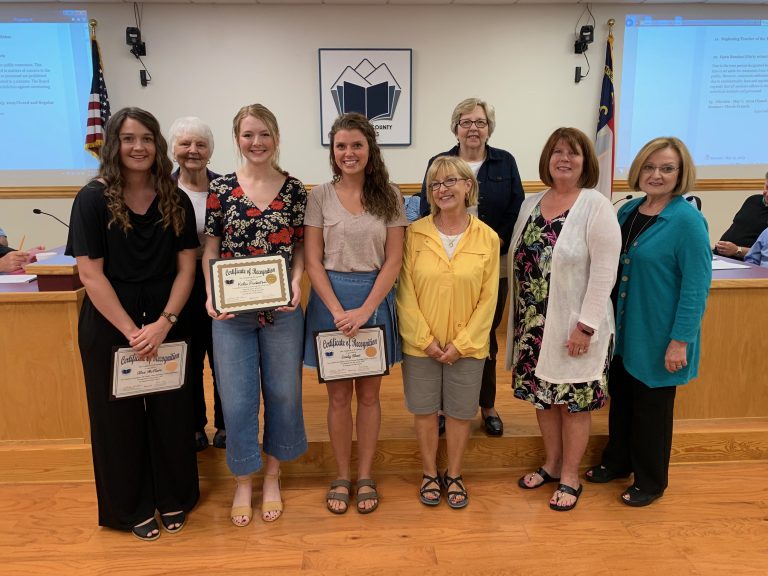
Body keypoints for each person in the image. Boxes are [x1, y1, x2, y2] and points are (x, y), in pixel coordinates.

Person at [65, 107, 200, 541]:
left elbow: (187, 269)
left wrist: (164, 323)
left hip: (167, 319)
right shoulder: (91, 199)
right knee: (117, 421)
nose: (138, 147)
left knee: (171, 414)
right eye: (128, 139)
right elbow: (90, 275)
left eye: (145, 138)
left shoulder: (175, 198)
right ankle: (129, 507)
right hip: (111, 322)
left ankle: (174, 495)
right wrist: (132, 332)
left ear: (157, 144)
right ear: (113, 145)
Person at [585, 137, 711, 507]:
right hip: (625, 331)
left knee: (652, 409)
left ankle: (651, 480)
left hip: (660, 334)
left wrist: (680, 340)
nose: (656, 175)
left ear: (680, 173)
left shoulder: (687, 221)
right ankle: (617, 461)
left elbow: (696, 287)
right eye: (650, 167)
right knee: (622, 398)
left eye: (667, 168)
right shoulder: (627, 211)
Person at [203, 104, 307, 527]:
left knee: (284, 393)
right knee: (237, 398)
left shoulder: (295, 189)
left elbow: (300, 247)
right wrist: (211, 293)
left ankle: (274, 476)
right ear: (237, 139)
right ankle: (244, 479)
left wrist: (297, 282)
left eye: (264, 134)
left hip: (283, 310)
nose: (257, 142)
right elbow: (211, 248)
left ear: (276, 137)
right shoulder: (221, 189)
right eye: (248, 135)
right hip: (232, 314)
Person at [507, 127, 621, 512]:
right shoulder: (531, 203)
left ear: (585, 161)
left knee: (573, 403)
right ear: (547, 159)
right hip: (534, 326)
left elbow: (605, 271)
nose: (564, 159)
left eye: (573, 153)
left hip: (575, 326)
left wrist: (586, 326)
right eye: (557, 152)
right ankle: (552, 464)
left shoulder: (595, 205)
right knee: (544, 399)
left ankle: (571, 476)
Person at [304, 112, 408, 515]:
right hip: (329, 301)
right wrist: (337, 311)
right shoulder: (319, 196)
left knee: (368, 395)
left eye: (357, 145)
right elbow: (313, 261)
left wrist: (365, 310)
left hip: (373, 300)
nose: (349, 153)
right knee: (337, 397)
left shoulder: (390, 195)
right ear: (333, 151)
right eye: (341, 146)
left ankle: (365, 475)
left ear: (370, 149)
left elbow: (394, 260)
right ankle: (342, 474)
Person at [398, 156, 499, 509]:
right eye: (435, 184)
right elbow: (404, 292)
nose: (443, 190)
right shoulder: (414, 234)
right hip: (421, 344)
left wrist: (463, 343)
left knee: (459, 412)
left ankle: (454, 474)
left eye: (450, 181)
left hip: (467, 347)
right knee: (425, 411)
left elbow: (489, 299)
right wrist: (423, 339)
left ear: (468, 185)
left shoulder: (488, 238)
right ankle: (429, 473)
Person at [418, 98, 523, 437]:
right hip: (445, 259)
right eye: (466, 122)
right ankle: (443, 407)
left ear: (489, 128)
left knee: (483, 333)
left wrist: (495, 243)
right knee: (443, 331)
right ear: (456, 128)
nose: (473, 128)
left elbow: (517, 209)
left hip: (491, 259)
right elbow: (425, 207)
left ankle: (487, 404)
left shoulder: (505, 162)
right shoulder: (439, 162)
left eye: (480, 122)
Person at [168, 116, 226, 452]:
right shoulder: (161, 190)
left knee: (223, 357)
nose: (193, 150)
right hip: (179, 287)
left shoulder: (225, 188)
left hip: (220, 284)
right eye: (185, 144)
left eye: (201, 144)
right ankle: (193, 426)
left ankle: (226, 425)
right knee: (188, 359)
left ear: (210, 150)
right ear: (173, 149)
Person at [713, 172, 768, 259]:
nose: (767, 194)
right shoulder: (753, 200)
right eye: (767, 187)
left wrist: (737, 250)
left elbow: (764, 254)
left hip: (744, 262)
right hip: (719, 257)